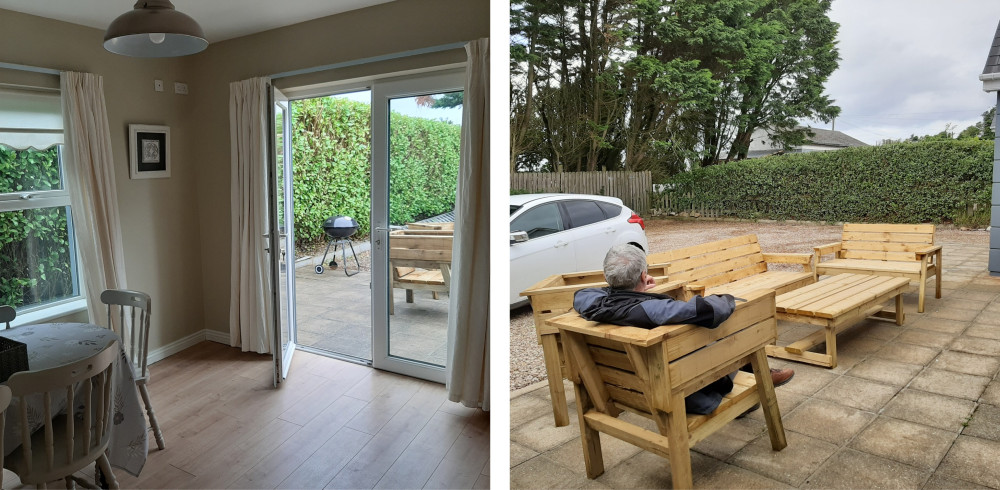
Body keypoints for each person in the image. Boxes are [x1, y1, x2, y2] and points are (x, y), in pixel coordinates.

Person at [573, 243, 794, 415]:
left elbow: (583, 294)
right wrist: (728, 297)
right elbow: (708, 310)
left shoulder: (592, 304)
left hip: (627, 389)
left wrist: (635, 289)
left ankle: (754, 377)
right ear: (643, 275)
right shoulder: (654, 310)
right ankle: (761, 375)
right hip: (683, 394)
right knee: (729, 331)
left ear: (608, 278)